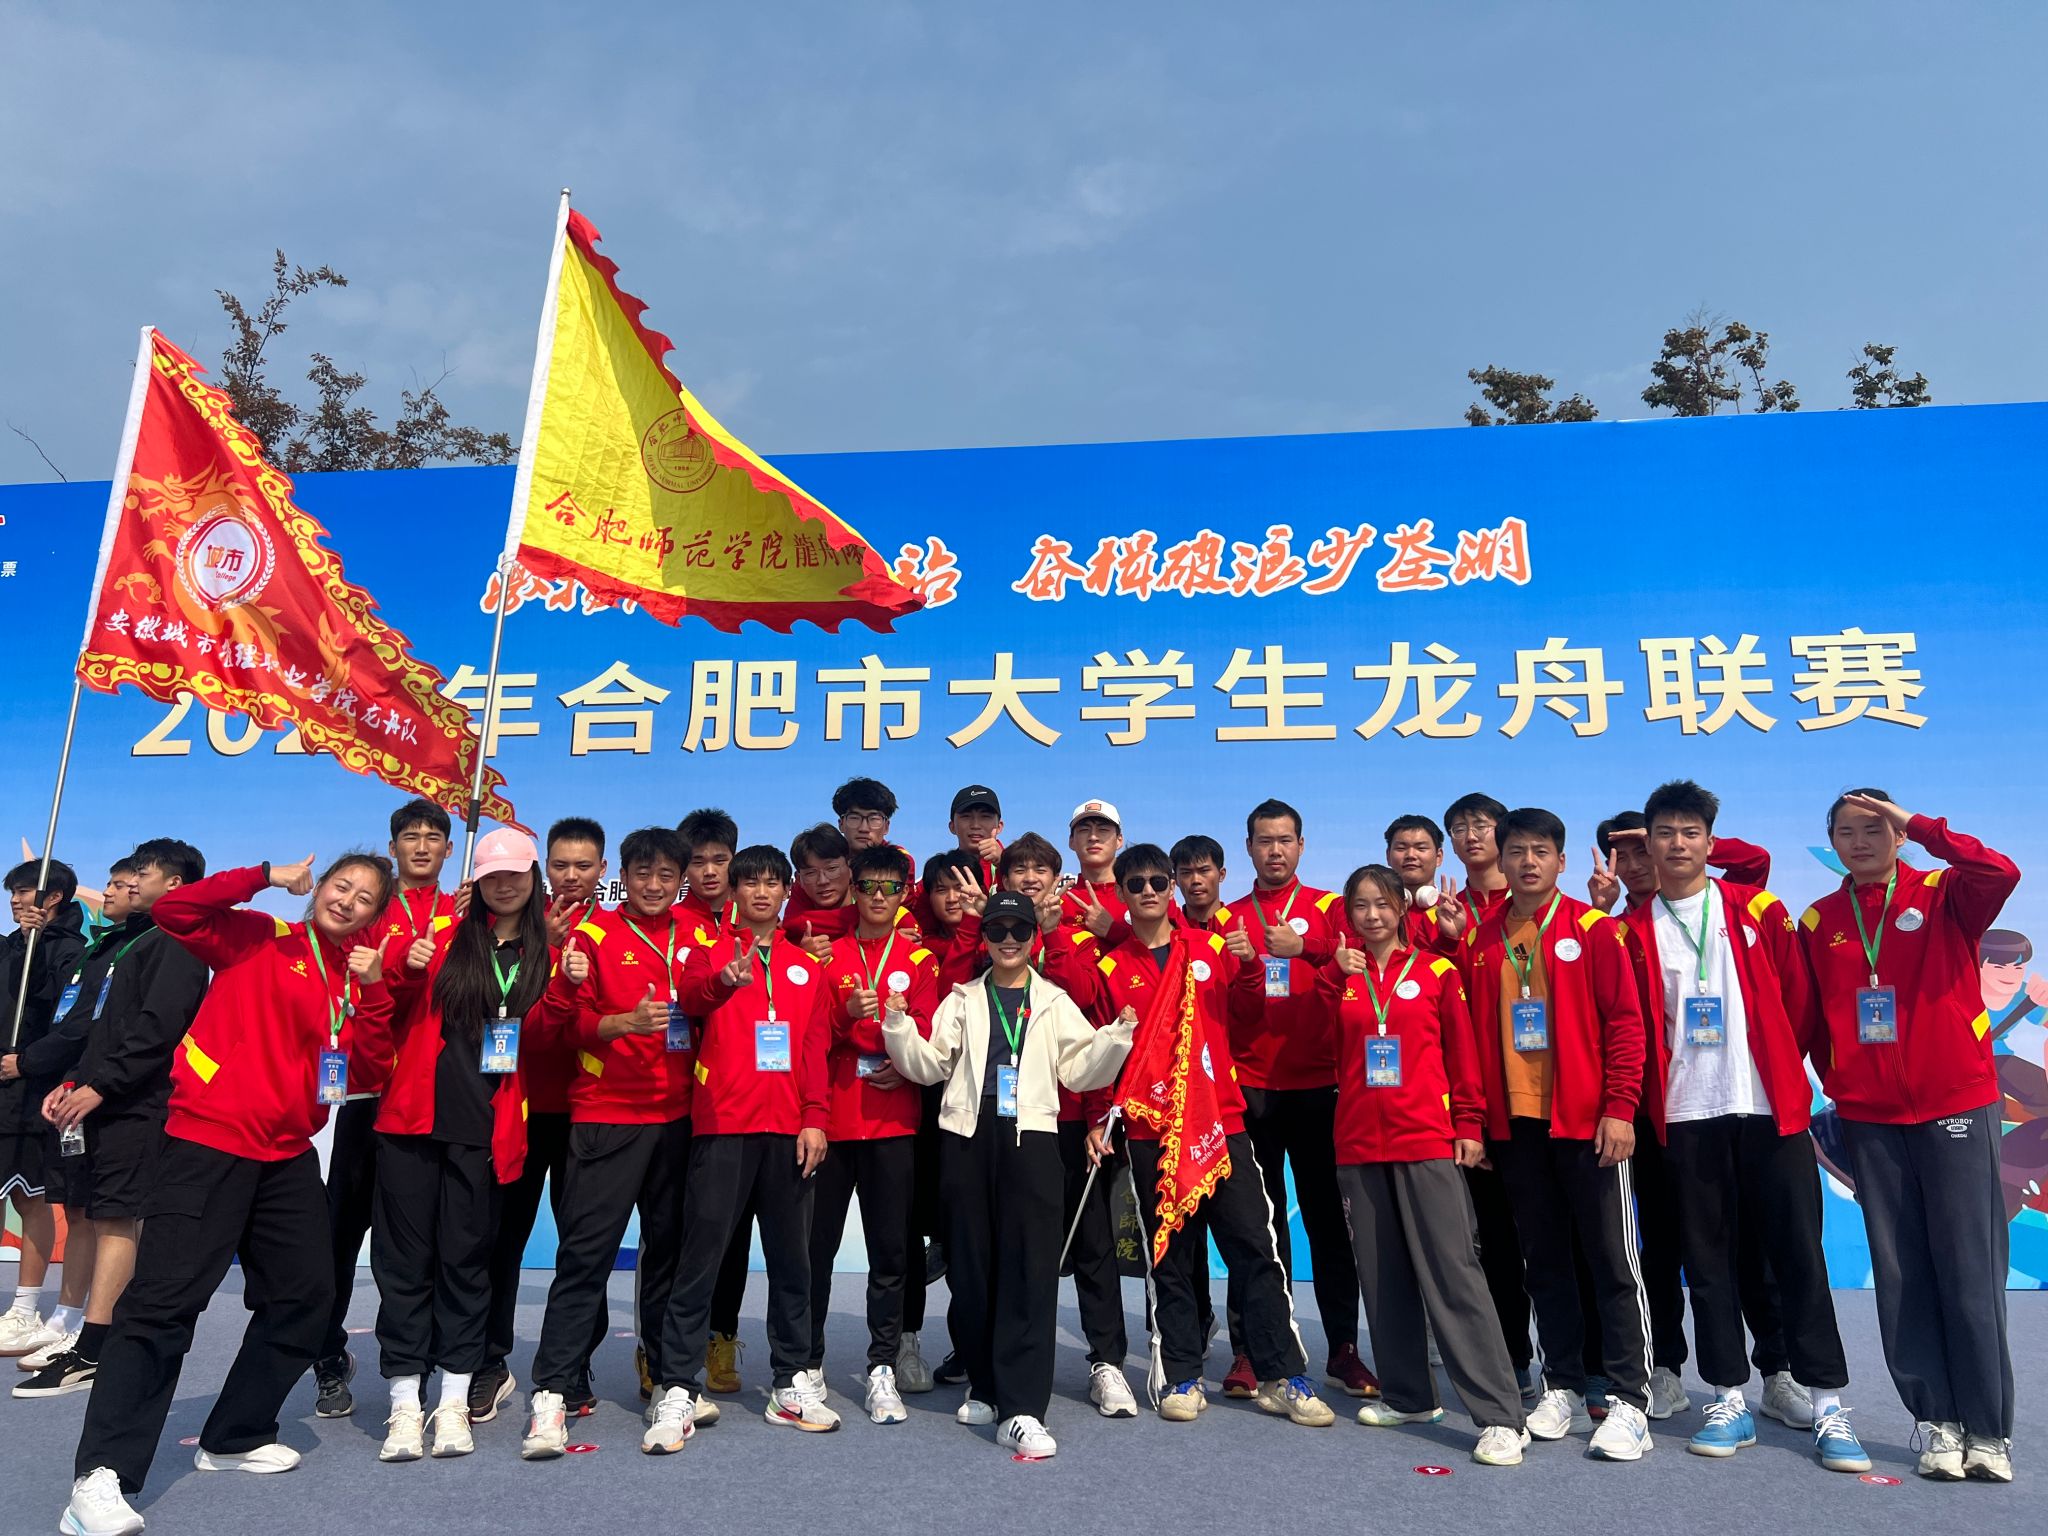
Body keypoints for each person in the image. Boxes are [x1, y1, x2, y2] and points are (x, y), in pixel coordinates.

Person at [61, 851, 391, 1536]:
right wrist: (264, 876)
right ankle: (101, 1476)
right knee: (162, 1305)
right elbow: (175, 910)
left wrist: (378, 989)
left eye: (365, 898)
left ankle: (235, 1435)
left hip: (285, 1152)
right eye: (341, 886)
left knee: (307, 1297)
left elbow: (365, 1069)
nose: (348, 901)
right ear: (319, 889)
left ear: (374, 917)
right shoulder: (262, 936)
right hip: (208, 1139)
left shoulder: (354, 978)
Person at [1620, 780, 1866, 1470]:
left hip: (1768, 1111)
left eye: (1690, 832)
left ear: (1710, 841)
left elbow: (1800, 1003)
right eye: (1664, 833)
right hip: (1685, 1116)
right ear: (1648, 843)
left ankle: (1827, 1402)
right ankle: (1727, 1397)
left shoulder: (1757, 908)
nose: (1677, 845)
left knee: (1798, 1256)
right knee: (1707, 1264)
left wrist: (1783, 1070)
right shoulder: (1630, 930)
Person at [1058, 843, 1336, 1430]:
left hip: (1220, 1123)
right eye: (1137, 884)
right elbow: (1098, 1053)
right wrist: (1097, 1118)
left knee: (1255, 1249)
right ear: (1122, 894)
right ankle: (1182, 1373)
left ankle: (1281, 1374)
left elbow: (1251, 1016)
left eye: (1159, 881)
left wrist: (1253, 966)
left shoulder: (1210, 947)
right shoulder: (1110, 968)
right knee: (1170, 1257)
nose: (1150, 891)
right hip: (1149, 1130)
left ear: (1172, 888)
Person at [1801, 791, 2020, 1483]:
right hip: (1870, 1116)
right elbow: (1813, 1018)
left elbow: (2002, 872)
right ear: (1832, 841)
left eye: (1876, 829)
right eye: (1846, 831)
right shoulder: (1820, 920)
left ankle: (1988, 1430)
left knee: (1969, 1267)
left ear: (1898, 836)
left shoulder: (1947, 893)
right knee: (1901, 1275)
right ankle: (1937, 1422)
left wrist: (1924, 827)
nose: (1861, 841)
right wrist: (1842, 1083)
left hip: (1956, 1103)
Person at [883, 889, 1136, 1459]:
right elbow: (930, 1065)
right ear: (986, 938)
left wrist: (1116, 1036)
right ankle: (985, 1383)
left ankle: (1022, 1408)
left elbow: (1080, 1072)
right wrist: (897, 1027)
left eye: (1019, 930)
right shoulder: (962, 998)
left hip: (1033, 1140)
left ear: (1033, 936)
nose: (1009, 941)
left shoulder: (1053, 1000)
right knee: (971, 1269)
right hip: (967, 1139)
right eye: (997, 930)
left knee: (1029, 1269)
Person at [1460, 806, 1655, 1461]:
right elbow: (1472, 1038)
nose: (1528, 862)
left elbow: (1625, 1023)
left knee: (1611, 1261)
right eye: (1517, 851)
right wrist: (1475, 1121)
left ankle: (1630, 1400)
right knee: (1543, 1262)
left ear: (1561, 861)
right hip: (1516, 1127)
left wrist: (1620, 1107)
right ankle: (1563, 1384)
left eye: (1541, 851)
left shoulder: (1593, 930)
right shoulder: (1482, 938)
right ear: (1501, 858)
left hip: (1587, 1122)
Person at [1320, 865, 1529, 1466]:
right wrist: (1332, 976)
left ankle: (1500, 1416)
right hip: (1359, 1143)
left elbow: (1464, 1055)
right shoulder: (1343, 979)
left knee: (1452, 1273)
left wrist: (1468, 1124)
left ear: (1402, 909)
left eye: (1382, 904)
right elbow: (1318, 1043)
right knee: (1381, 1275)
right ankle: (1409, 1396)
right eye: (1360, 906)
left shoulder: (1437, 971)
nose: (1372, 916)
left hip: (1426, 1140)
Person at [646, 843, 836, 1450]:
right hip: (723, 1124)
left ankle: (791, 1380)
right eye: (748, 882)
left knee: (792, 1262)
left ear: (785, 892)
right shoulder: (708, 952)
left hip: (789, 1131)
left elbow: (814, 1048)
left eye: (771, 883)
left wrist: (815, 1118)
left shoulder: (806, 967)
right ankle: (677, 1385)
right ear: (733, 892)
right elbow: (692, 996)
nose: (760, 892)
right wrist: (724, 980)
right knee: (700, 1259)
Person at [521, 827, 701, 1460]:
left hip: (679, 1120)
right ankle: (552, 1393)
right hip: (607, 1117)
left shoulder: (700, 933)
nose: (654, 885)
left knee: (668, 1257)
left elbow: (715, 999)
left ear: (681, 881)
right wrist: (620, 1022)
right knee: (585, 1257)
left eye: (666, 875)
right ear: (621, 876)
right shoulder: (592, 936)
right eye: (642, 873)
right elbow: (553, 1030)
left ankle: (670, 1384)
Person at [366, 827, 546, 1462]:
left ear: (533, 878)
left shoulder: (549, 952)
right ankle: (403, 1402)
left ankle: (452, 1401)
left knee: (466, 1267)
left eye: (515, 873)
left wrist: (570, 988)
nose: (505, 884)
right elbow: (387, 1000)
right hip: (410, 1125)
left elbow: (555, 1033)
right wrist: (401, 963)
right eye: (492, 875)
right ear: (477, 882)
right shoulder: (441, 935)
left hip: (485, 1131)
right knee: (402, 1267)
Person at [14, 840, 209, 1401]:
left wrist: (101, 1085)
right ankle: (85, 1333)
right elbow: (97, 1025)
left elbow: (156, 1029)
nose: (125, 884)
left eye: (140, 874)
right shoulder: (126, 942)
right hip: (99, 1098)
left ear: (174, 884)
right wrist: (73, 1081)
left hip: (136, 1103)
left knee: (119, 1217)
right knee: (99, 1214)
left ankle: (95, 1348)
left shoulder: (177, 942)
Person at [1220, 800, 1372, 1400]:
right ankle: (1250, 1350)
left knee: (1330, 1225)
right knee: (1254, 1228)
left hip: (1319, 1086)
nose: (1275, 850)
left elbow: (1362, 963)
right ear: (1249, 848)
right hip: (1251, 1088)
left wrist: (1303, 946)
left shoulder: (1332, 908)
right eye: (1264, 840)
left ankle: (1344, 1349)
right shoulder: (1229, 918)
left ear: (1302, 845)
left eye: (1285, 840)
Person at [313, 799, 457, 1419]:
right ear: (392, 845)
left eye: (433, 837)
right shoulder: (369, 911)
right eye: (410, 836)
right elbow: (344, 986)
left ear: (449, 849)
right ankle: (327, 1355)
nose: (422, 846)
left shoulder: (464, 910)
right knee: (340, 1235)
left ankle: (428, 1362)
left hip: (432, 1100)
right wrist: (398, 966)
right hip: (366, 1095)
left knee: (422, 1241)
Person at [473, 817, 608, 1423]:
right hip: (518, 1108)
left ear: (602, 870)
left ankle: (571, 1362)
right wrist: (543, 948)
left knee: (583, 1244)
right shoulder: (512, 927)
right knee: (500, 1240)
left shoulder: (616, 931)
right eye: (560, 865)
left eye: (583, 865)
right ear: (542, 869)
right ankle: (488, 1361)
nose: (571, 876)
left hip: (586, 1111)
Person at [812, 843, 938, 1425]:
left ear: (905, 893)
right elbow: (808, 1033)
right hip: (833, 1123)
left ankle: (882, 1365)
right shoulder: (826, 955)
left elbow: (932, 1032)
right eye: (868, 886)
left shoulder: (921, 959)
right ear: (853, 890)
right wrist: (845, 1015)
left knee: (891, 1252)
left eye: (891, 887)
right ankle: (807, 1362)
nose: (879, 897)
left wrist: (905, 1062)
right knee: (816, 1250)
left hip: (893, 1122)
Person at [0, 857, 86, 1364]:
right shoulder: (11, 946)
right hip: (2, 1087)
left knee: (30, 1198)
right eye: (11, 892)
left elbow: (68, 1018)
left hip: (35, 1092)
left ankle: (26, 1308)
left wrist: (27, 1063)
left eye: (23, 891)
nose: (14, 900)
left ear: (53, 897)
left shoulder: (71, 950)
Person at [678, 806, 751, 1398]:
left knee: (733, 1228)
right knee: (677, 1229)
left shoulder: (755, 923)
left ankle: (721, 1336)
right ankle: (661, 1347)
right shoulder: (671, 922)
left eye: (719, 860)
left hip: (733, 1098)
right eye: (697, 861)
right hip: (668, 1095)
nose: (708, 871)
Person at [1384, 815, 1470, 956]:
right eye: (1401, 848)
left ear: (1439, 857)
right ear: (1388, 856)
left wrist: (1450, 940)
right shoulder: (1372, 913)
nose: (1411, 855)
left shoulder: (1456, 912)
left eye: (1421, 848)